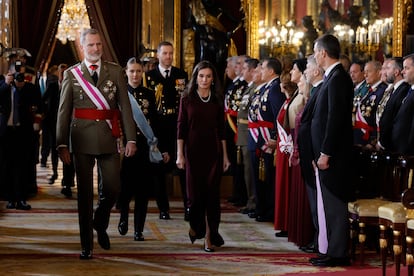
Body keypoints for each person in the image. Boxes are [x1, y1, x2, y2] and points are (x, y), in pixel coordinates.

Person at [56, 28, 137, 260]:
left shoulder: (115, 71)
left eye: (98, 45)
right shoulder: (72, 74)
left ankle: (99, 222)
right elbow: (63, 112)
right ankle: (86, 246)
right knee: (84, 195)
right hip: (81, 138)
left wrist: (130, 138)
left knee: (113, 188)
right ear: (83, 47)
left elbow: (125, 108)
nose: (95, 49)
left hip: (109, 137)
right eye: (90, 45)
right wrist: (61, 144)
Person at [176, 60, 231, 252]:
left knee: (212, 198)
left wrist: (225, 156)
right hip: (192, 152)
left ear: (213, 79)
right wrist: (179, 155)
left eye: (208, 76)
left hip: (213, 153)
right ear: (195, 77)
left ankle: (209, 237)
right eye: (201, 76)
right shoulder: (187, 99)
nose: (205, 80)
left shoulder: (217, 99)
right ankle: (196, 227)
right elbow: (181, 129)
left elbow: (222, 130)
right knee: (194, 198)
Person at [309, 34, 354, 267]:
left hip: (334, 156)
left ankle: (337, 253)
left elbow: (335, 119)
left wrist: (325, 152)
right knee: (327, 204)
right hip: (326, 155)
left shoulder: (338, 78)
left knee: (335, 204)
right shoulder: (332, 77)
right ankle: (329, 249)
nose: (315, 56)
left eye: (316, 52)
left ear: (323, 53)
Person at [117, 57, 161, 241]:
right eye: (132, 71)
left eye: (138, 71)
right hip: (125, 147)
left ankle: (138, 230)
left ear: (142, 73)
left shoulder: (149, 94)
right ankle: (123, 218)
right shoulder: (120, 94)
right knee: (126, 189)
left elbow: (155, 122)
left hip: (144, 147)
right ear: (126, 73)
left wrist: (160, 147)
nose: (135, 75)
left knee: (143, 191)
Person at [145, 41, 189, 220]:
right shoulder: (149, 76)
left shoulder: (181, 74)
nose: (168, 57)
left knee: (183, 170)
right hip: (158, 128)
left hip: (177, 126)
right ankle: (163, 208)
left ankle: (188, 207)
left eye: (171, 53)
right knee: (159, 172)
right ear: (158, 55)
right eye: (165, 53)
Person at [0, 62, 41, 210]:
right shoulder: (2, 85)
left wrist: (22, 87)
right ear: (9, 72)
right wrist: (6, 85)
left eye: (21, 73)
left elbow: (38, 103)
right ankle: (10, 198)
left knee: (23, 166)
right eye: (16, 73)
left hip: (23, 133)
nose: (19, 75)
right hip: (6, 133)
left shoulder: (29, 87)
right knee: (7, 166)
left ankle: (22, 198)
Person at [298, 54, 325, 254]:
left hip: (316, 157)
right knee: (314, 203)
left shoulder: (322, 90)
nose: (304, 71)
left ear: (316, 71)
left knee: (319, 204)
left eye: (307, 67)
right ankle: (317, 239)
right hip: (309, 156)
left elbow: (321, 127)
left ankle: (320, 241)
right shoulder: (314, 90)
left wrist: (317, 155)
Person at [40, 65, 60, 184]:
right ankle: (55, 172)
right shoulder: (53, 85)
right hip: (52, 120)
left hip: (65, 122)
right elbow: (43, 99)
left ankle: (68, 180)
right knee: (52, 146)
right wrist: (45, 113)